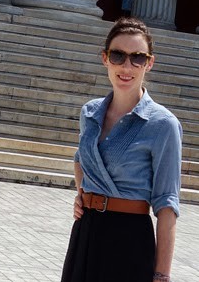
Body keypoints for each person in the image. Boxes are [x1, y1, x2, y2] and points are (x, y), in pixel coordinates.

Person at [61, 17, 182, 282]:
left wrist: (162, 274)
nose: (127, 66)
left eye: (137, 58)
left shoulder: (163, 125)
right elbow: (81, 159)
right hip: (85, 233)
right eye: (118, 55)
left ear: (149, 63)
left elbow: (167, 204)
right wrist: (84, 194)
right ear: (105, 58)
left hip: (129, 240)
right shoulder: (90, 112)